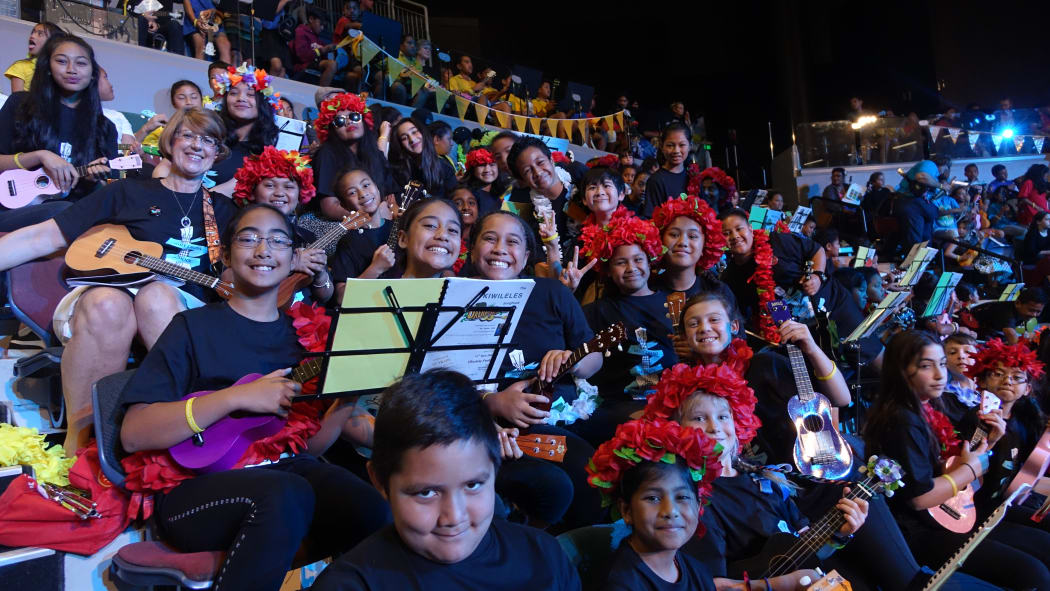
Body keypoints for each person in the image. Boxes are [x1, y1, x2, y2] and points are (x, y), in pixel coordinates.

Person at [119, 203, 390, 590]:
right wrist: (236, 398)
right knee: (287, 492)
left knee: (373, 511)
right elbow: (134, 433)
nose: (264, 250)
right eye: (248, 239)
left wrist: (345, 401)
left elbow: (306, 450)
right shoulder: (191, 327)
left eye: (278, 241)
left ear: (294, 256)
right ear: (226, 255)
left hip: (284, 478)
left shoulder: (305, 338)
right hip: (194, 491)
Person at [0, 107, 236, 453]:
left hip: (182, 309)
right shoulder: (126, 193)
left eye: (208, 140)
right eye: (188, 135)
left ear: (217, 153)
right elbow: (41, 238)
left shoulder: (225, 211)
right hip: (108, 296)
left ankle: (188, 428)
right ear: (170, 141)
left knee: (156, 296)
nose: (197, 146)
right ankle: (81, 446)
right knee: (106, 302)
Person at [312, 370, 581, 590]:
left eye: (473, 485)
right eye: (426, 493)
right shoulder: (349, 585)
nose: (453, 516)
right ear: (381, 482)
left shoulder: (544, 557)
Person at [644, 363, 886, 590]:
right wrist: (785, 583)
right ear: (676, 429)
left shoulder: (767, 480)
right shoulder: (692, 500)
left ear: (737, 422)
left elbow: (804, 551)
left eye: (723, 416)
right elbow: (712, 585)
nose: (714, 427)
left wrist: (840, 534)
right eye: (699, 418)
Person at [863, 331, 1050, 590]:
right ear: (901, 371)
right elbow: (919, 499)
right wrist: (971, 470)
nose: (941, 375)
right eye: (927, 366)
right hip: (919, 530)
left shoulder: (926, 408)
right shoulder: (901, 420)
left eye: (942, 364)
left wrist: (990, 444)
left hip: (943, 515)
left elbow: (954, 469)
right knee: (1033, 574)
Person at [468, 210, 604, 529]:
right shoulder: (458, 296)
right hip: (506, 422)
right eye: (490, 238)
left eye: (512, 242)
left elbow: (594, 359)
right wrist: (493, 401)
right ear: (472, 249)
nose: (501, 248)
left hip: (570, 409)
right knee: (580, 469)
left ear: (526, 255)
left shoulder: (550, 291)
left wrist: (572, 358)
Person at [586, 418, 719, 590]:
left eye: (682, 497)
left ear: (699, 506)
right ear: (626, 510)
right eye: (653, 498)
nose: (670, 511)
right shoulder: (619, 583)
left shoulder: (699, 572)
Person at [0, 34, 117, 225]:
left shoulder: (105, 128)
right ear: (47, 68)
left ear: (92, 73)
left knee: (70, 213)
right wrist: (40, 156)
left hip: (64, 211)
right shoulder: (20, 104)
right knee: (64, 214)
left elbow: (108, 187)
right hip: (8, 208)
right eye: (62, 61)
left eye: (81, 63)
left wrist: (93, 179)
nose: (72, 70)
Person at [580, 214, 677, 444]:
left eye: (638, 259)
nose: (631, 268)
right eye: (621, 262)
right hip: (620, 407)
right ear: (609, 269)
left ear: (650, 260)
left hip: (673, 403)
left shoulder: (675, 303)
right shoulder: (596, 311)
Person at [963, 339, 1050, 530]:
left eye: (1017, 377)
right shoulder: (978, 418)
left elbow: (1032, 467)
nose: (1008, 380)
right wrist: (991, 440)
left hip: (1009, 501)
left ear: (1027, 389)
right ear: (983, 381)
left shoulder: (1027, 419)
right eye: (998, 374)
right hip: (976, 510)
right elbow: (965, 472)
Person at [232, 146, 333, 305]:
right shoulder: (240, 231)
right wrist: (291, 264)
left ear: (300, 194)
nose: (280, 193)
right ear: (252, 191)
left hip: (303, 321)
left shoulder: (308, 236)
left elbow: (325, 296)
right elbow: (229, 282)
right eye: (270, 185)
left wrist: (320, 274)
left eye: (289, 187)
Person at [309, 92, 393, 221]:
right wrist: (369, 220)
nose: (348, 122)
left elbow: (390, 195)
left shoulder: (375, 153)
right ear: (331, 129)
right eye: (339, 121)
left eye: (354, 116)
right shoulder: (326, 154)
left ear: (364, 120)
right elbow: (329, 207)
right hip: (342, 223)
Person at [204, 64, 281, 195]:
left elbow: (227, 190)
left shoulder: (264, 155)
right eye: (233, 93)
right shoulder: (207, 134)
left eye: (250, 94)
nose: (241, 98)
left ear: (263, 104)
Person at [329, 168, 396, 300]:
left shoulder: (397, 230)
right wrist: (375, 269)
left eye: (366, 185)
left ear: (377, 187)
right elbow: (341, 298)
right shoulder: (348, 242)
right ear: (345, 205)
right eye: (352, 192)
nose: (363, 194)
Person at [649, 195, 728, 302]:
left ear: (706, 245)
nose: (682, 242)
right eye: (674, 234)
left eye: (692, 236)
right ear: (660, 240)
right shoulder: (646, 291)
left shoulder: (719, 292)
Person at [388, 118, 458, 200]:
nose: (412, 139)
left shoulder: (445, 168)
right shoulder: (399, 171)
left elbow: (454, 201)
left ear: (423, 132)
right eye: (404, 138)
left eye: (414, 132)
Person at [889, 160, 941, 259]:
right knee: (914, 240)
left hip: (913, 204)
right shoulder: (930, 164)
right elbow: (921, 176)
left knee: (923, 236)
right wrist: (941, 186)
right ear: (945, 166)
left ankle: (921, 264)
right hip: (908, 203)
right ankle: (913, 266)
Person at [641, 123, 691, 217]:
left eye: (682, 145)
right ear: (662, 146)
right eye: (670, 145)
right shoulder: (656, 180)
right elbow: (651, 219)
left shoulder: (693, 177)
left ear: (690, 146)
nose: (676, 150)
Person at [972, 286, 1047, 343]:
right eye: (1031, 310)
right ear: (1018, 303)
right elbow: (1011, 335)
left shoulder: (1025, 313)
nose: (1034, 315)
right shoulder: (1006, 312)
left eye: (1038, 312)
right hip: (975, 336)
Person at [5, 21, 63, 93]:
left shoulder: (58, 68)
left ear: (53, 43)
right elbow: (16, 100)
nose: (32, 36)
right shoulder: (20, 66)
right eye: (33, 32)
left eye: (40, 34)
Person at [939, 333, 980, 424]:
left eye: (968, 352)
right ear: (944, 361)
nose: (961, 356)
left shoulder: (991, 391)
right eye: (953, 352)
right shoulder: (941, 399)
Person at [292, 7, 337, 87]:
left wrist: (329, 50)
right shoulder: (301, 31)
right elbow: (302, 55)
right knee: (332, 65)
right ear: (311, 19)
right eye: (321, 24)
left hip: (315, 64)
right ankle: (322, 93)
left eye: (324, 26)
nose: (322, 28)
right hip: (303, 66)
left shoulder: (317, 37)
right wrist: (322, 50)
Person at [464, 148, 506, 214]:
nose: (487, 170)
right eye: (481, 165)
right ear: (473, 169)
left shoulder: (501, 193)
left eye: (492, 164)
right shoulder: (468, 195)